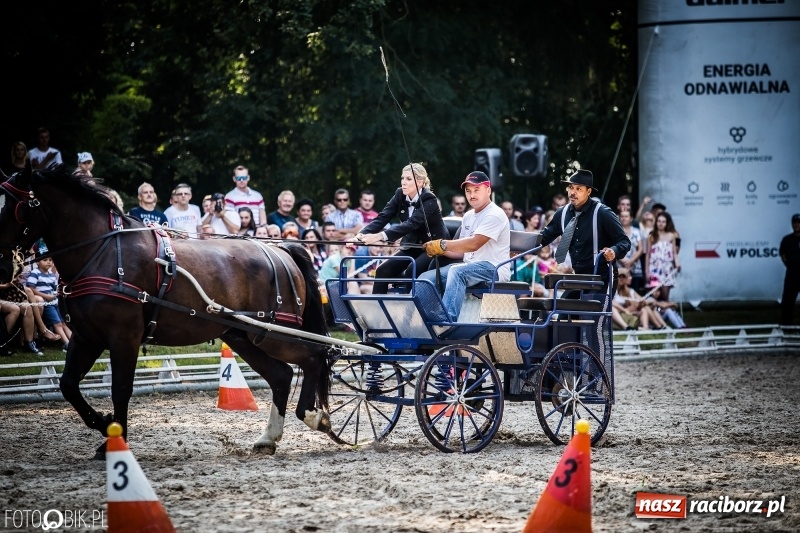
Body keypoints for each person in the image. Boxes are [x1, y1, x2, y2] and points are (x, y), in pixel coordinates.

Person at [420, 171, 511, 322]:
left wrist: (442, 244)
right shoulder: (468, 216)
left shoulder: (495, 214)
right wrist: (437, 249)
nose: (472, 195)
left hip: (494, 268)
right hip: (470, 266)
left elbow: (474, 244)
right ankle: (422, 318)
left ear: (488, 190)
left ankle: (447, 319)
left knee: (457, 271)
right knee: (425, 278)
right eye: (468, 191)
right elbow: (461, 252)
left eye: (477, 190)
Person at [355, 163, 449, 294]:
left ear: (420, 182)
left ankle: (412, 311)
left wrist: (380, 236)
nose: (403, 182)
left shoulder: (429, 199)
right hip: (412, 245)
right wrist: (361, 234)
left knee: (412, 270)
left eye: (408, 179)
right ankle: (378, 310)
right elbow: (383, 216)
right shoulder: (400, 194)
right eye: (402, 178)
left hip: (433, 247)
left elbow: (412, 224)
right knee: (382, 270)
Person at [539, 170, 630, 295]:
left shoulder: (603, 213)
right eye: (571, 187)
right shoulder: (562, 213)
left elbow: (624, 241)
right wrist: (520, 246)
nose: (573, 192)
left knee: (594, 314)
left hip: (602, 278)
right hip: (578, 277)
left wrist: (614, 251)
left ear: (588, 191)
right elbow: (543, 238)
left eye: (578, 189)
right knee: (564, 314)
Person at [26, 257, 71, 352]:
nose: (48, 262)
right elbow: (31, 288)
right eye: (45, 260)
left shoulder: (52, 274)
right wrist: (45, 296)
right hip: (47, 304)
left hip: (55, 302)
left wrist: (55, 294)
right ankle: (66, 343)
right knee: (57, 323)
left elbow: (55, 288)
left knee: (64, 323)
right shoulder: (35, 273)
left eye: (50, 260)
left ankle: (73, 342)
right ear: (38, 262)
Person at [645, 211, 681, 302]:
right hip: (654, 268)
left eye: (663, 222)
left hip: (667, 268)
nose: (660, 224)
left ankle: (667, 313)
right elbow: (648, 254)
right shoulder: (651, 236)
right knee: (654, 295)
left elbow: (674, 253)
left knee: (665, 295)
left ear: (666, 223)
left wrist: (677, 263)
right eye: (659, 221)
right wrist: (646, 271)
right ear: (656, 222)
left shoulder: (672, 236)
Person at [779, 213, 800, 325]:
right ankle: (786, 328)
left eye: (798, 222)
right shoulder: (787, 240)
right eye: (794, 222)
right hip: (792, 276)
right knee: (787, 303)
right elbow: (783, 255)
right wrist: (791, 266)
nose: (796, 225)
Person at [618, 210, 644, 292]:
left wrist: (630, 261)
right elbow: (612, 247)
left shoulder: (636, 231)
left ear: (631, 218)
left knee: (634, 291)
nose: (624, 218)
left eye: (626, 216)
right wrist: (622, 260)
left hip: (634, 267)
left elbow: (640, 249)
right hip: (620, 265)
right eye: (622, 216)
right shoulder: (616, 231)